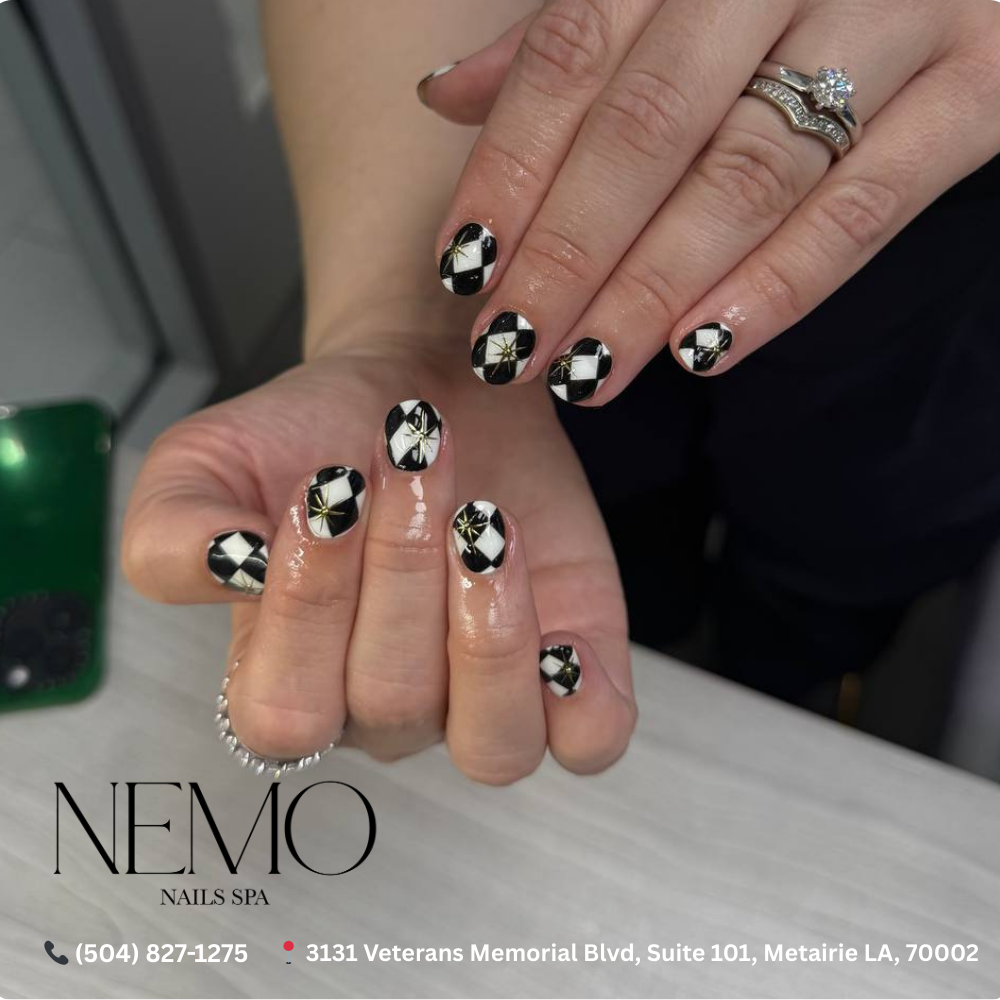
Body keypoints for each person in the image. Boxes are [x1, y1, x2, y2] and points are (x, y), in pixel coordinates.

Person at [122, 0, 1000, 782]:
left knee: (833, 570)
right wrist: (402, 329)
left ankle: (794, 697)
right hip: (564, 229)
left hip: (947, 248)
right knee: (610, 542)